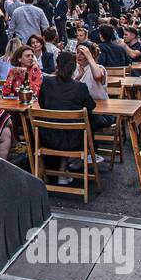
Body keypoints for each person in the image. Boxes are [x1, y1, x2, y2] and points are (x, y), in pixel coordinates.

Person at [38, 50, 110, 184]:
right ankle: (73, 164)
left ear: (57, 66)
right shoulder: (80, 87)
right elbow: (91, 107)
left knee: (63, 124)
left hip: (46, 137)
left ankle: (60, 170)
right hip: (74, 141)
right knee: (86, 122)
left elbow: (42, 104)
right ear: (74, 68)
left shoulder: (47, 83)